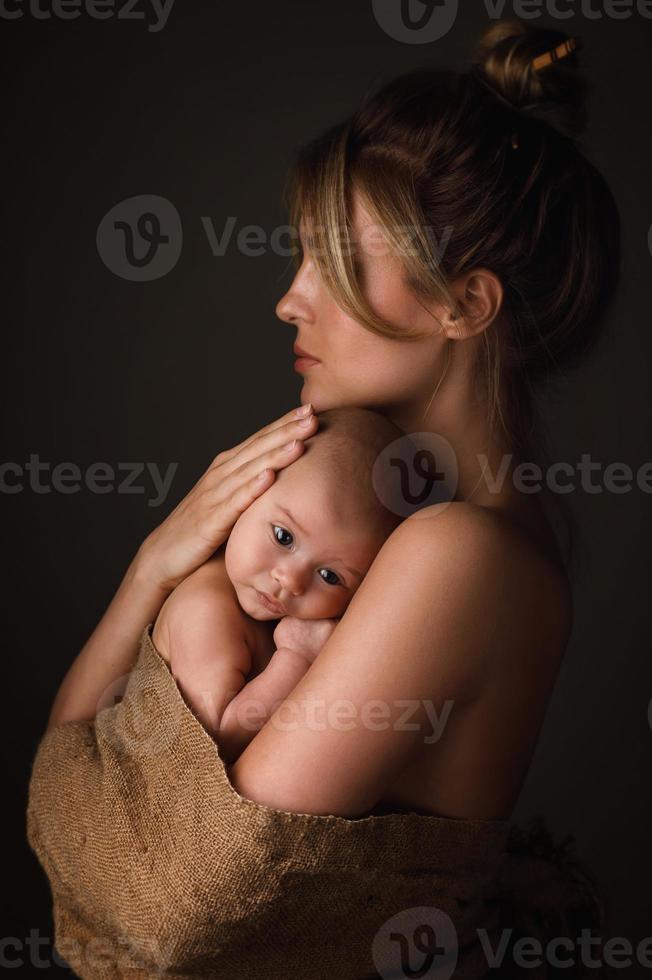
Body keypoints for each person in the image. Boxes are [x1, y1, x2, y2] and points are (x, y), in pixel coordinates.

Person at [45, 20, 620, 825]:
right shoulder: (389, 520)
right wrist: (153, 565)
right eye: (300, 256)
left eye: (340, 260)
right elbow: (63, 804)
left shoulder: (460, 552)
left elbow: (184, 870)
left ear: (464, 304)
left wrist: (163, 593)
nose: (291, 300)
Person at [150, 406, 404, 762]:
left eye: (330, 576)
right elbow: (211, 746)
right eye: (283, 536)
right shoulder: (205, 608)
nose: (290, 580)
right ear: (248, 498)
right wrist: (297, 660)